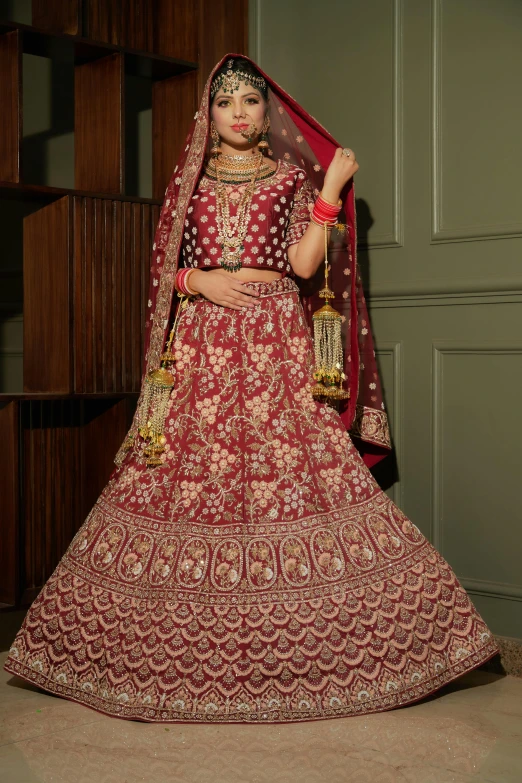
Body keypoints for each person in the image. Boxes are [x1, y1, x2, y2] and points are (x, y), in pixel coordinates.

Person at [4, 54, 498, 723]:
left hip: (277, 343)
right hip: (202, 346)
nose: (238, 113)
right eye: (225, 102)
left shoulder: (291, 177)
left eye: (250, 102)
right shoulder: (190, 182)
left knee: (303, 476)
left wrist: (332, 187)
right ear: (207, 114)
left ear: (269, 115)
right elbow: (162, 268)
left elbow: (301, 264)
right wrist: (198, 282)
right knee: (181, 477)